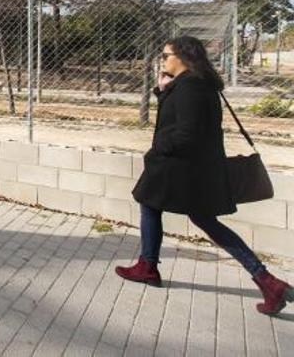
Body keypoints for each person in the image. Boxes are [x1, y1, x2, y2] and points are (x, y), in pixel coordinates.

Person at [116, 36, 292, 315]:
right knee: (183, 214)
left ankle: (148, 267)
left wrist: (158, 147)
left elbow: (186, 133)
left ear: (183, 57)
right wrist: (162, 92)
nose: (162, 60)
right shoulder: (195, 84)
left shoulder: (191, 88)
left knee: (152, 205)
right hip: (194, 169)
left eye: (166, 55)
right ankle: (266, 280)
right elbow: (182, 120)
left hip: (181, 169)